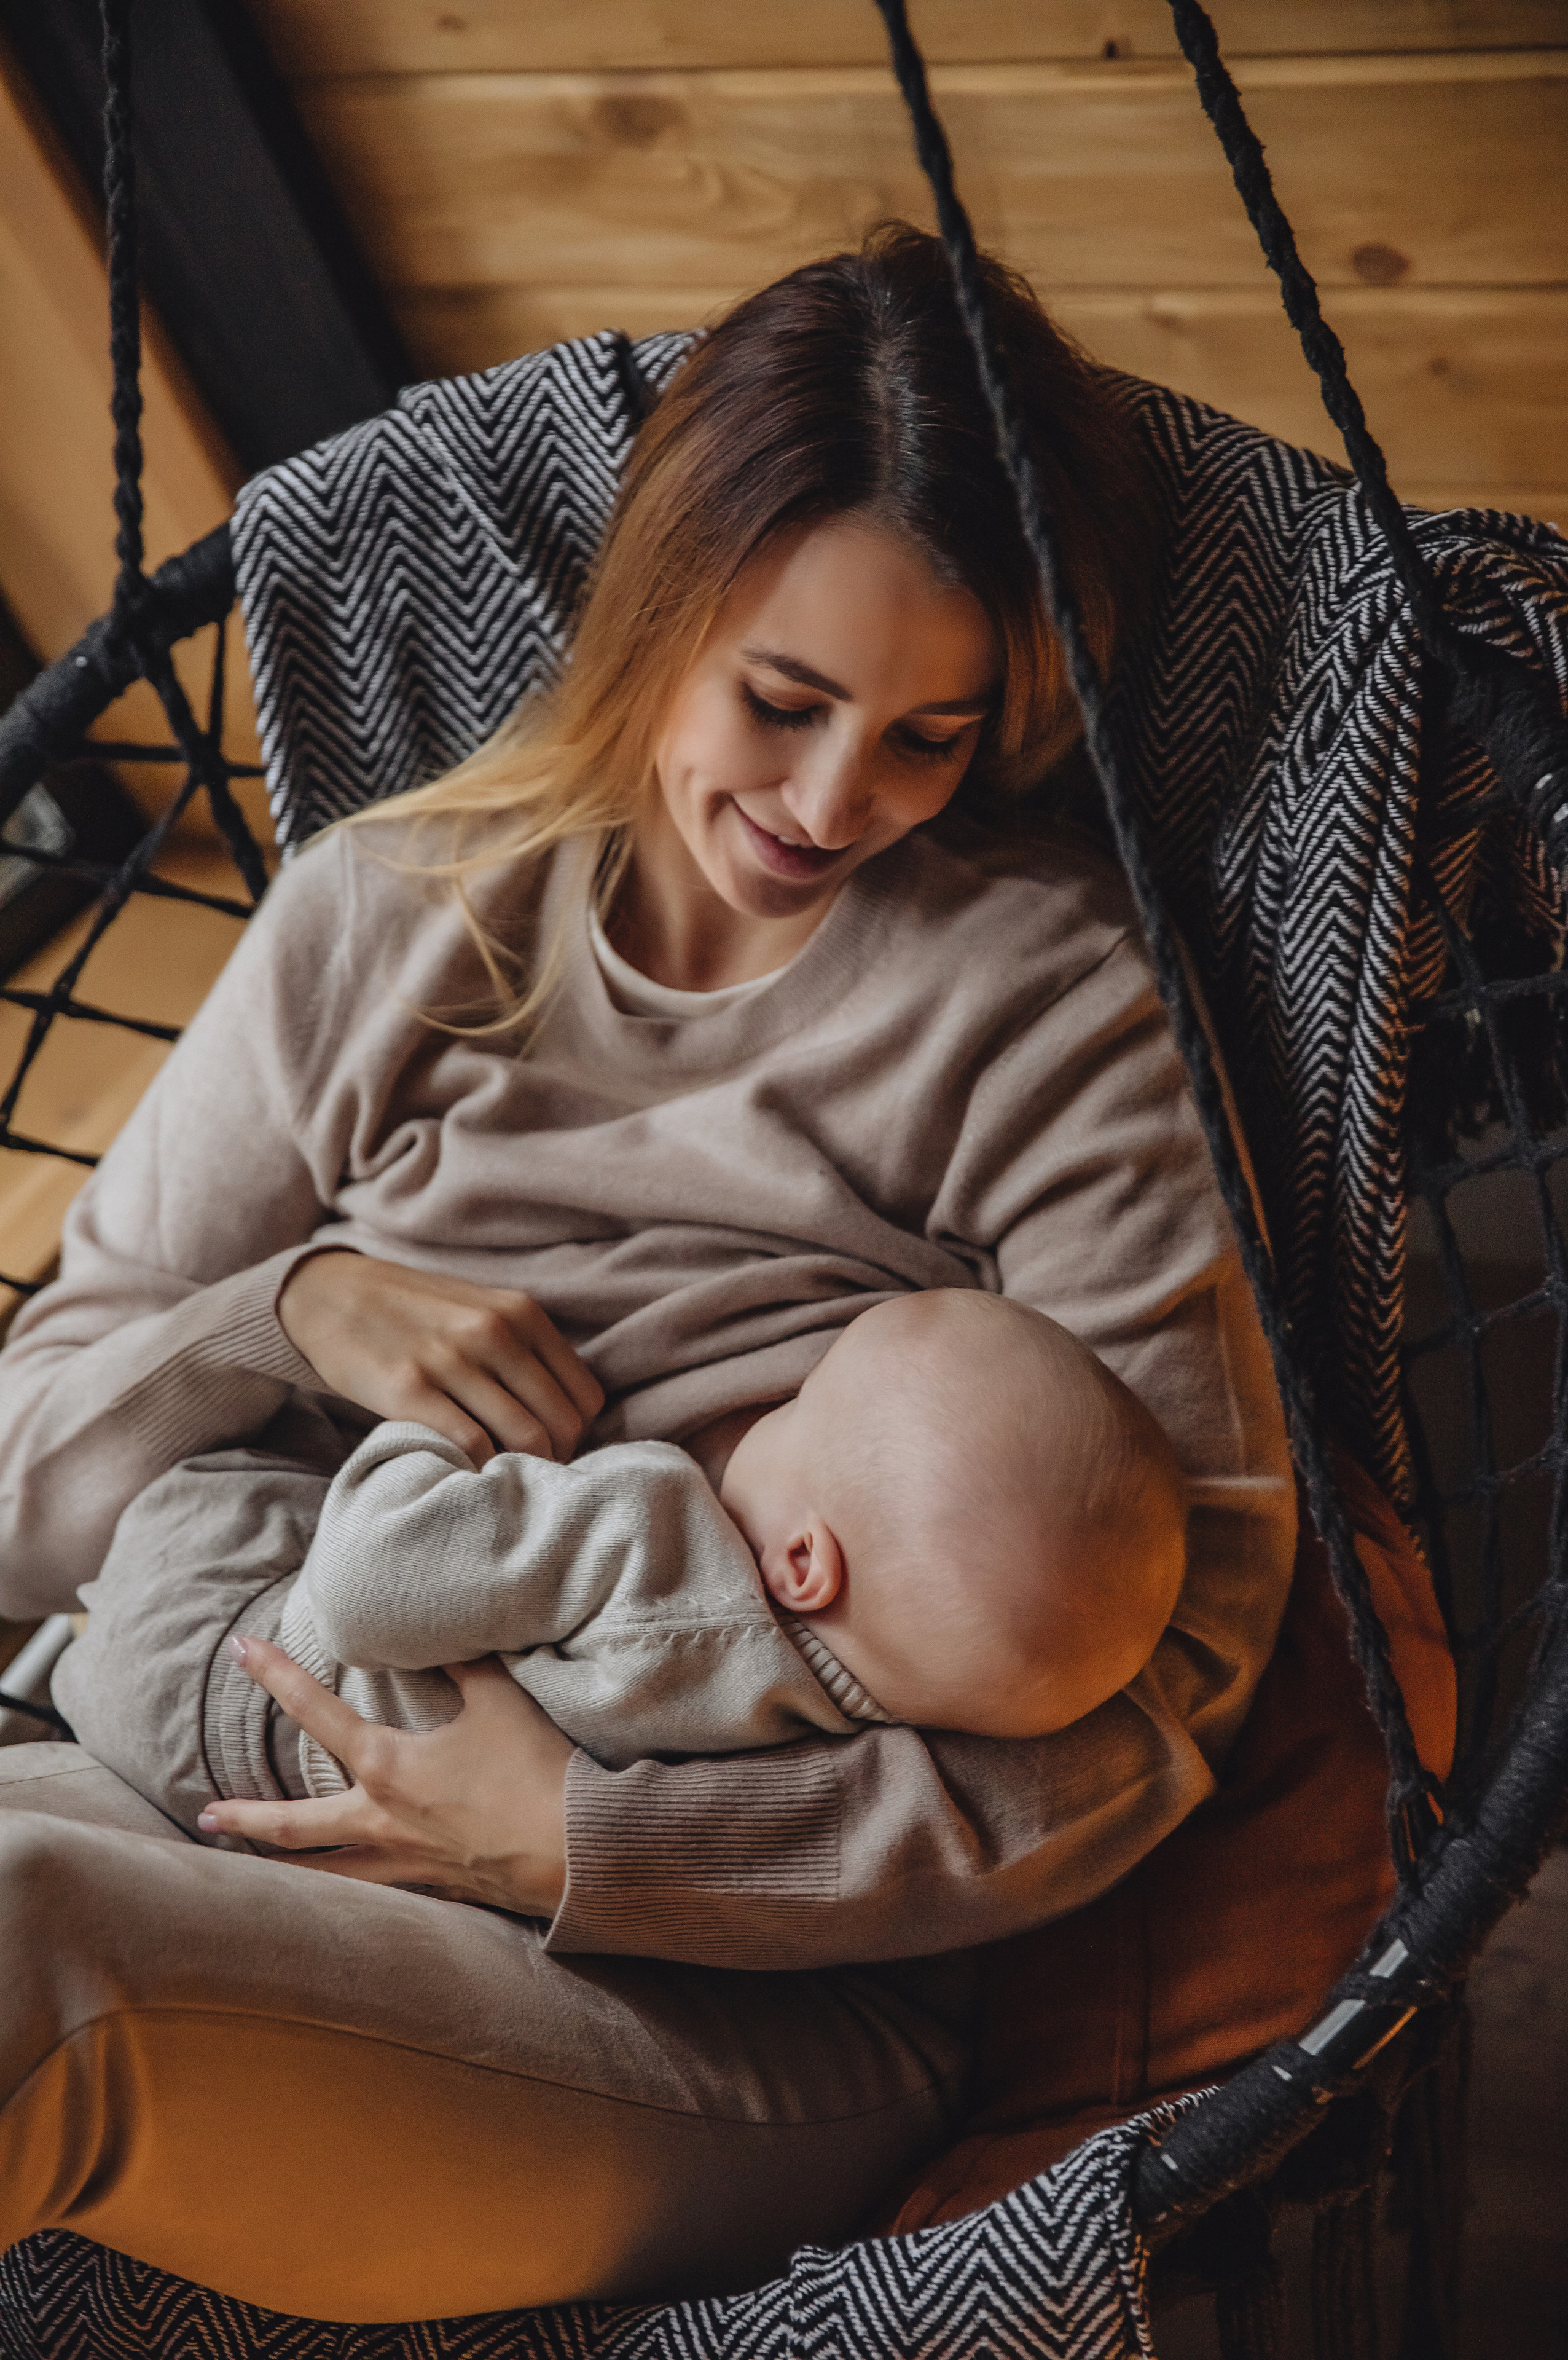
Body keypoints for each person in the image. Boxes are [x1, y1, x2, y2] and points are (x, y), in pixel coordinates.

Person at [0, 224, 1296, 2321]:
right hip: (210, 1726)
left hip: (718, 1993)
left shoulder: (1047, 1005)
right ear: (655, 604)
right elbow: (19, 1484)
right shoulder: (383, 923)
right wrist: (286, 1311)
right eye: (783, 702)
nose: (829, 803)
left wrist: (590, 1837)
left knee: (16, 1941)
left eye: (929, 739)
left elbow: (1168, 1673)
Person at [55, 1291, 1189, 1830]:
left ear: (803, 1562)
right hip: (247, 1790)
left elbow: (360, 1591)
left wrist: (443, 1438)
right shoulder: (821, 1746)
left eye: (796, 1408)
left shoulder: (659, 1537)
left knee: (223, 1480)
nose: (758, 1419)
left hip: (212, 1661)